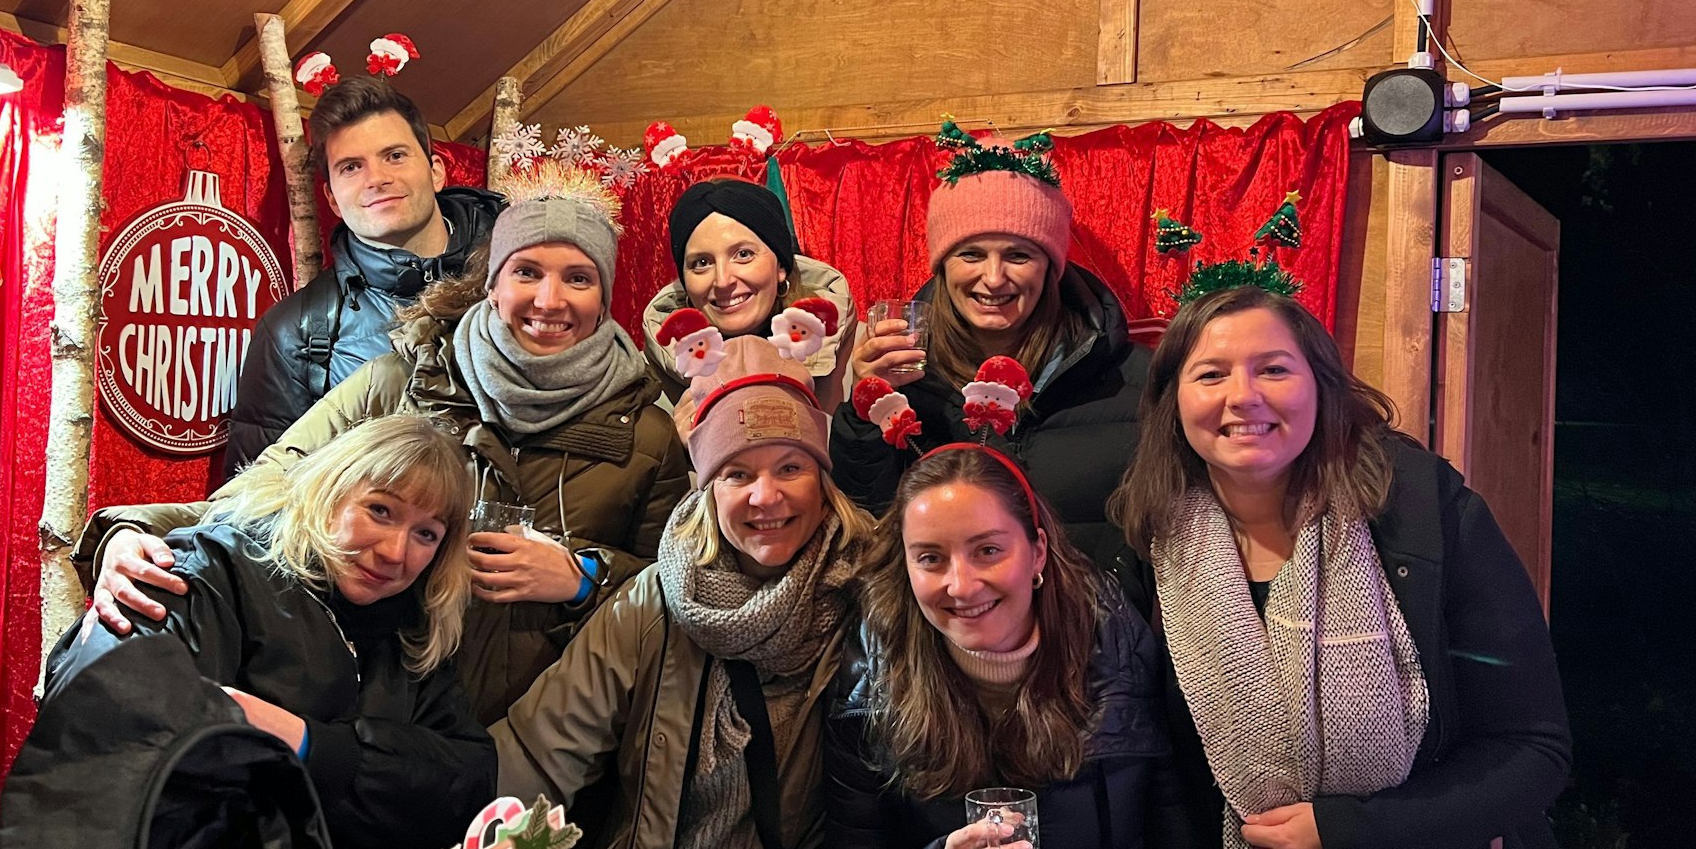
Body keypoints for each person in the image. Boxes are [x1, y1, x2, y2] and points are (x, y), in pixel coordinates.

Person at [1108, 287, 1597, 849]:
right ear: (1171, 402)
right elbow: (1174, 792)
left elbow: (1533, 744)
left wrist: (1351, 839)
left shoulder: (1418, 514)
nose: (1242, 398)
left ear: (1321, 382)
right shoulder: (1150, 547)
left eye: (1273, 369)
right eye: (1210, 374)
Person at [75, 162, 690, 724]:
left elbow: (679, 591)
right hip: (389, 717)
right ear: (493, 283)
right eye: (526, 272)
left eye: (577, 278)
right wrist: (134, 533)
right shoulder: (399, 380)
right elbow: (267, 491)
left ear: (604, 297)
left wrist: (585, 577)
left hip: (556, 733)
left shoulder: (645, 432)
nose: (549, 300)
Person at [494, 333, 871, 849]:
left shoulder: (873, 600)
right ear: (705, 486)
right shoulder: (657, 605)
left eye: (789, 466)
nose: (764, 495)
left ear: (823, 473)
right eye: (737, 471)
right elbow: (531, 763)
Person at [823, 444, 1252, 849]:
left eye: (988, 550)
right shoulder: (872, 695)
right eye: (930, 558)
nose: (961, 584)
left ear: (1040, 552)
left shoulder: (1120, 668)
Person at [47, 414, 495, 849]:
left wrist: (309, 745)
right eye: (380, 511)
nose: (395, 552)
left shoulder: (411, 630)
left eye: (426, 534)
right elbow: (112, 747)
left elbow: (465, 790)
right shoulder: (210, 571)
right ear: (329, 491)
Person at [832, 127, 1148, 564]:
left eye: (1019, 255)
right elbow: (868, 517)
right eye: (971, 254)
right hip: (951, 617)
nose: (994, 278)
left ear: (1050, 269)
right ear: (942, 266)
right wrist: (866, 414)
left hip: (1095, 621)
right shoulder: (907, 374)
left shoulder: (1133, 380)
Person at [224, 76, 503, 479]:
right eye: (352, 167)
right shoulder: (295, 333)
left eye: (394, 155)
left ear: (436, 170)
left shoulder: (526, 282)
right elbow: (255, 497)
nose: (376, 178)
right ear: (333, 199)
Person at [644, 178, 858, 416]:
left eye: (743, 254)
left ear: (780, 267)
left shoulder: (856, 357)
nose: (723, 281)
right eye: (702, 263)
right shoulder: (645, 382)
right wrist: (673, 447)